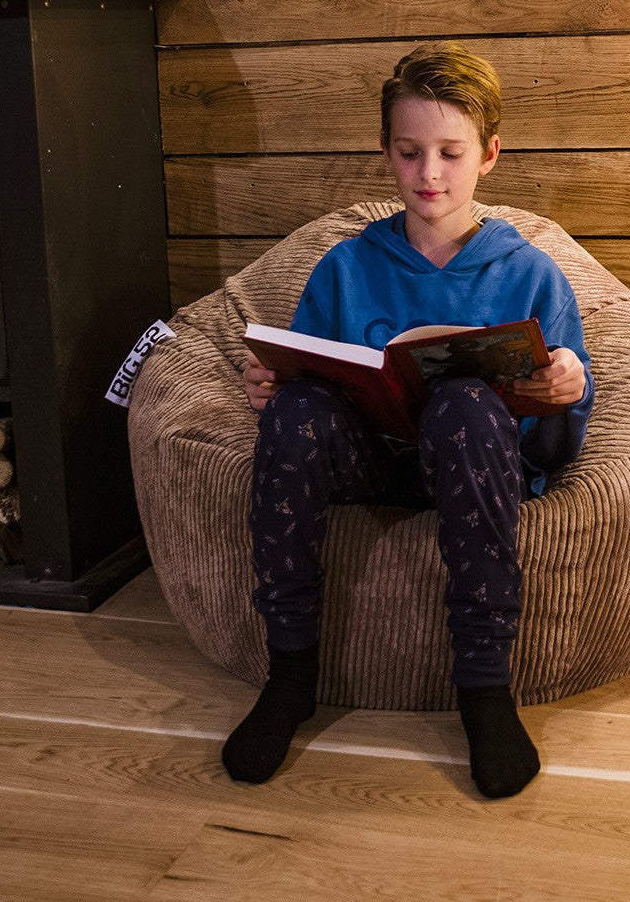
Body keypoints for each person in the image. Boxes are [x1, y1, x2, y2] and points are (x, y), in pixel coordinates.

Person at [222, 42, 594, 799]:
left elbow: (556, 450)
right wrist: (271, 387)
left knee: (463, 403)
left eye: (451, 153)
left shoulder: (529, 272)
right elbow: (307, 379)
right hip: (369, 462)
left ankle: (484, 686)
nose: (429, 173)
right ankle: (289, 673)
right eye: (409, 151)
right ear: (385, 151)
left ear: (489, 155)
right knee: (295, 411)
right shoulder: (345, 267)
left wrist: (567, 389)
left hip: (475, 469)